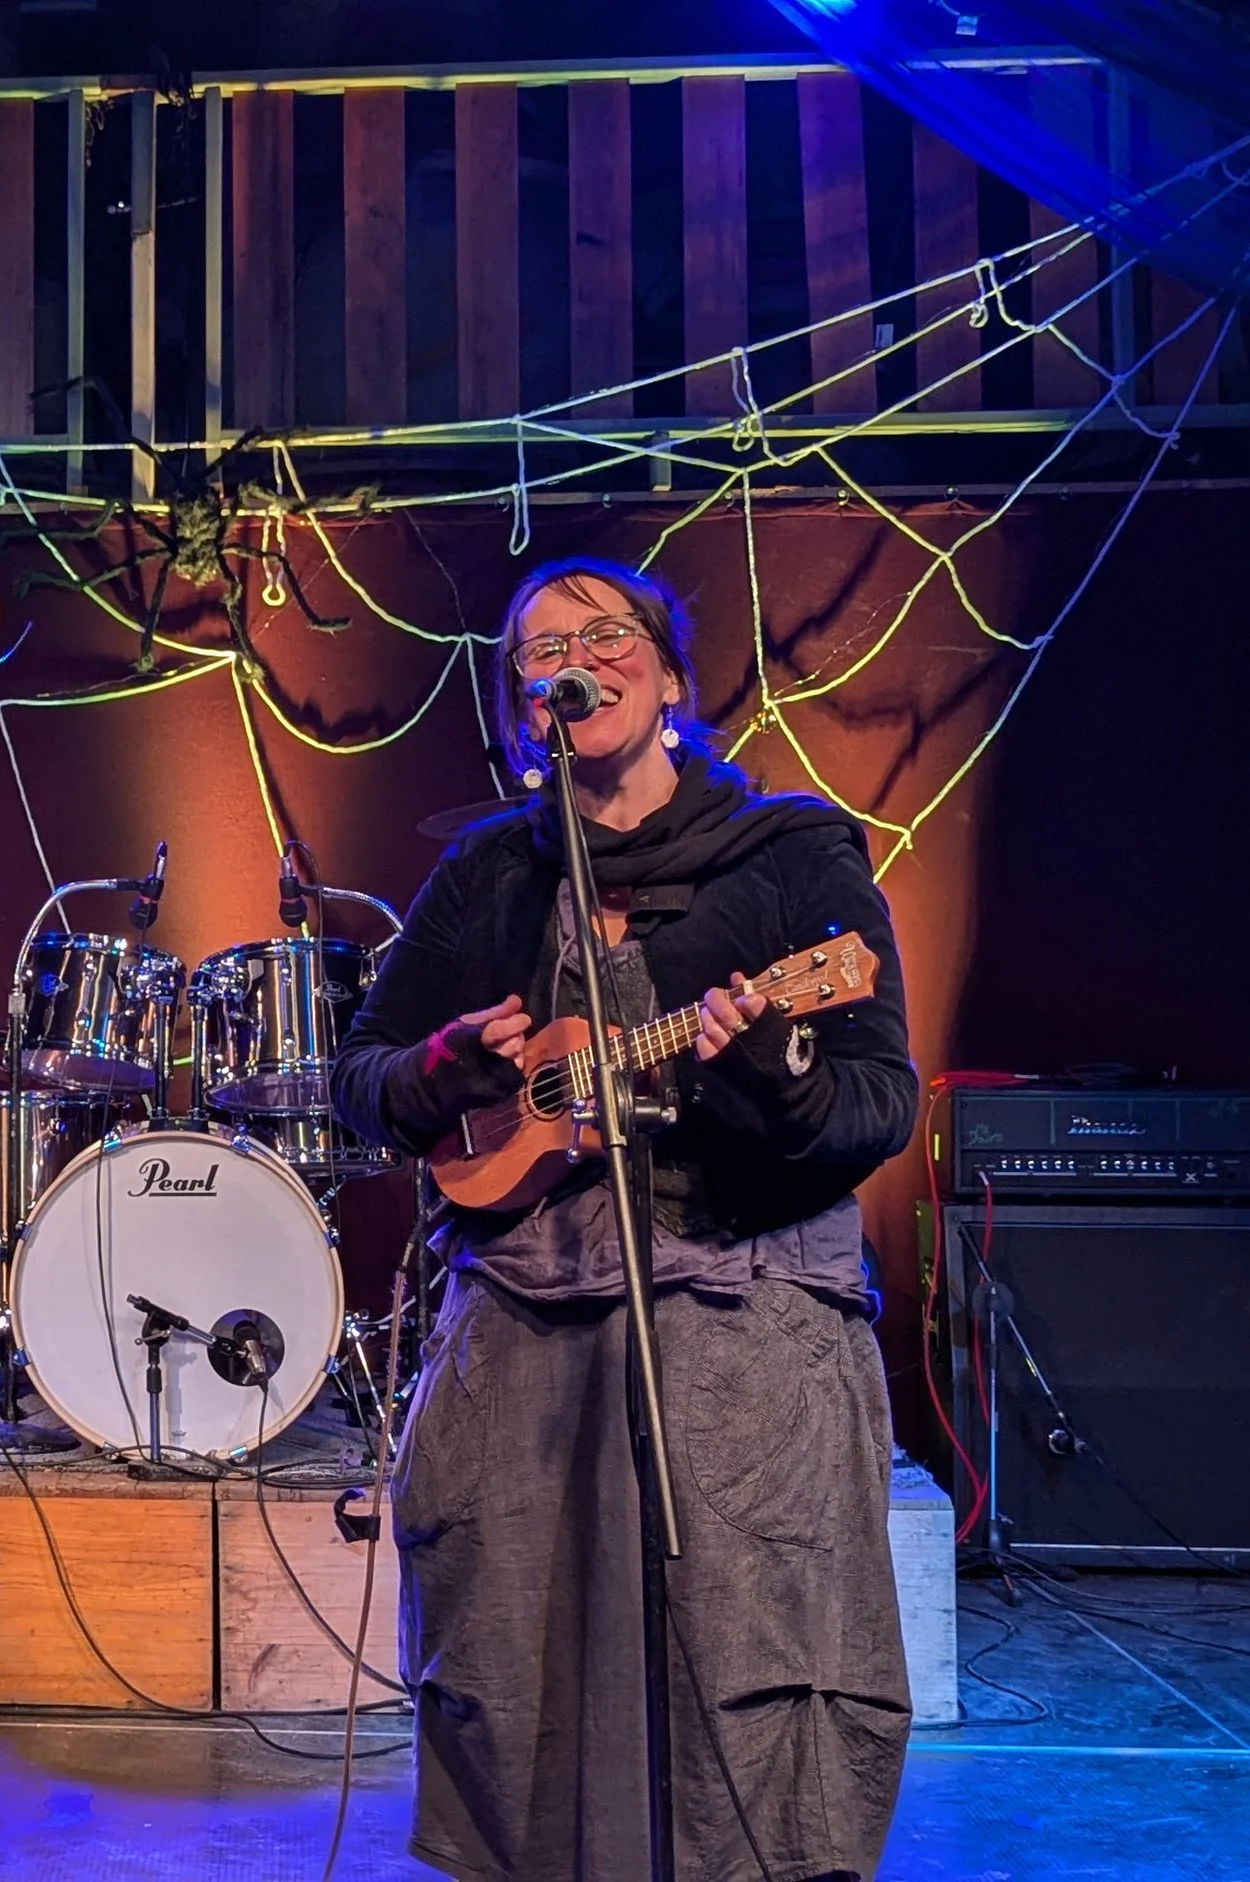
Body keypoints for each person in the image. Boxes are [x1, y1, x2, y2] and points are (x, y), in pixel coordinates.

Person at [330, 557, 917, 1882]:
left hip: (736, 1292)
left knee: (744, 1665)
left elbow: (880, 1101)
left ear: (665, 677)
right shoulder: (490, 877)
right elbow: (355, 1076)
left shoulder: (791, 859)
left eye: (599, 638)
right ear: (515, 705)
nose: (567, 662)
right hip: (533, 1306)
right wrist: (443, 1074)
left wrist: (773, 1069)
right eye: (537, 650)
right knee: (514, 1659)